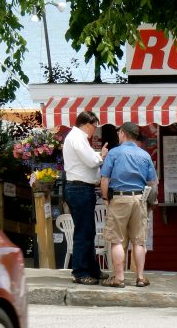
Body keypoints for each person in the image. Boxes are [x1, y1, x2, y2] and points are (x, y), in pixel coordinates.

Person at [99, 122, 157, 288]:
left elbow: (104, 179)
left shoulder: (114, 153)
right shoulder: (145, 155)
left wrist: (105, 198)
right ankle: (140, 278)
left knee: (116, 240)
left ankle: (119, 278)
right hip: (139, 199)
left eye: (119, 132)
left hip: (119, 198)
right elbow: (152, 182)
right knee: (139, 241)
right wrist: (150, 202)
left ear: (123, 133)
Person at [63, 110, 109, 285]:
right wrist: (101, 155)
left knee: (87, 230)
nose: (94, 130)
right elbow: (91, 161)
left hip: (80, 188)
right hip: (80, 188)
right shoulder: (77, 138)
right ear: (87, 124)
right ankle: (80, 272)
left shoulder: (76, 137)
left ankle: (92, 269)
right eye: (94, 126)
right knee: (84, 231)